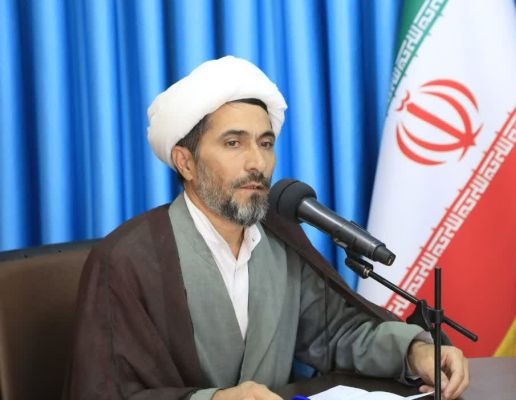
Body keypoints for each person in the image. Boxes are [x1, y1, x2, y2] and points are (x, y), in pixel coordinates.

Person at [64, 56, 469, 400]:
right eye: (233, 143)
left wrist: (413, 352)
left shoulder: (279, 240)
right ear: (186, 162)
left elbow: (336, 335)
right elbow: (108, 391)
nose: (257, 162)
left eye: (266, 143)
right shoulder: (127, 260)